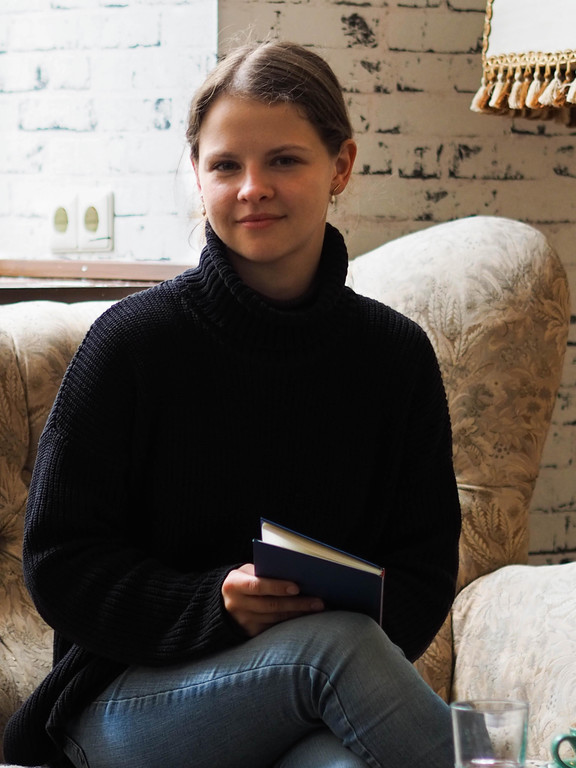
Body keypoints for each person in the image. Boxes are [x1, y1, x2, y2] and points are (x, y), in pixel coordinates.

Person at [4, 40, 461, 768]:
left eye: (284, 160)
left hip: (311, 701)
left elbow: (425, 574)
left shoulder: (396, 358)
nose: (253, 188)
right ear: (196, 173)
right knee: (334, 650)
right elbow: (59, 564)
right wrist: (214, 602)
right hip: (124, 705)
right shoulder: (132, 344)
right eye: (225, 166)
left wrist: (301, 628)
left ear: (340, 166)